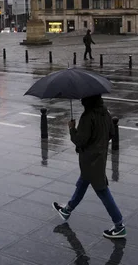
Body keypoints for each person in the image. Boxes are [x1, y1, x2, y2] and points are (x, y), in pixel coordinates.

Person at [53, 94, 126, 239]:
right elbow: (111, 132)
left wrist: (72, 129)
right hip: (100, 156)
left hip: (90, 159)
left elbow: (80, 140)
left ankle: (119, 226)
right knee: (82, 182)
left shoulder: (88, 116)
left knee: (102, 190)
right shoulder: (105, 112)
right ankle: (67, 210)